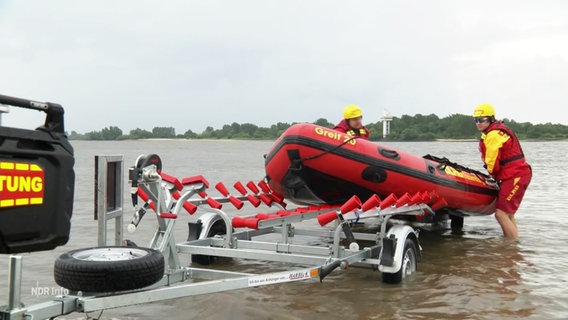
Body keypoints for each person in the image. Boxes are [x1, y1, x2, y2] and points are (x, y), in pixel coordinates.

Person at [474, 103, 532, 239]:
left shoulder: (493, 135)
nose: (478, 123)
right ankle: (513, 248)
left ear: (491, 119)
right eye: (475, 120)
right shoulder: (492, 132)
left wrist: (491, 175)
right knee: (508, 214)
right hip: (515, 174)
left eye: (481, 120)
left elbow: (492, 161)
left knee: (500, 214)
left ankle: (510, 247)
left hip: (515, 175)